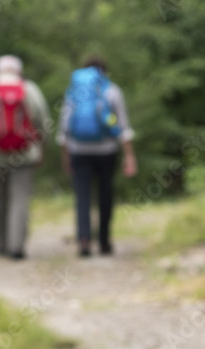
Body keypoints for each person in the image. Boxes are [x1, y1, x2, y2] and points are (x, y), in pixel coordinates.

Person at [0, 55, 51, 260]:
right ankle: (16, 246)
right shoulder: (30, 89)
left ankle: (0, 243)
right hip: (25, 155)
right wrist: (41, 147)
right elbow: (43, 121)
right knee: (19, 198)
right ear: (19, 71)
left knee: (0, 196)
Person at [57, 56, 137, 257]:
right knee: (105, 194)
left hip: (78, 150)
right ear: (104, 71)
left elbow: (65, 127)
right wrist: (129, 155)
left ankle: (83, 241)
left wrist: (65, 156)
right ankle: (103, 241)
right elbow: (123, 127)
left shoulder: (74, 91)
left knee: (82, 196)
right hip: (106, 151)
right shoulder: (112, 90)